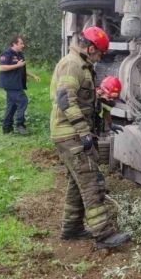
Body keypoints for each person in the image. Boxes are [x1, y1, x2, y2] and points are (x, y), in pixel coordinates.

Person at [49, 27, 130, 249]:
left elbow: (84, 99)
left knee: (78, 182)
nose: (100, 58)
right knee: (91, 182)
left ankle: (72, 228)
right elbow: (66, 100)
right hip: (70, 134)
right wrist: (84, 132)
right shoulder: (72, 64)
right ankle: (103, 234)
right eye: (100, 53)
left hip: (70, 132)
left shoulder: (82, 65)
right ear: (90, 48)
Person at [0, 35, 41, 135]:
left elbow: (22, 68)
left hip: (17, 83)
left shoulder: (20, 54)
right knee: (23, 101)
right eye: (21, 43)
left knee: (12, 106)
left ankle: (7, 128)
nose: (23, 45)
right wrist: (17, 65)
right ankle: (20, 125)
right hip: (10, 83)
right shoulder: (7, 53)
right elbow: (1, 68)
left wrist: (33, 76)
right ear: (14, 44)